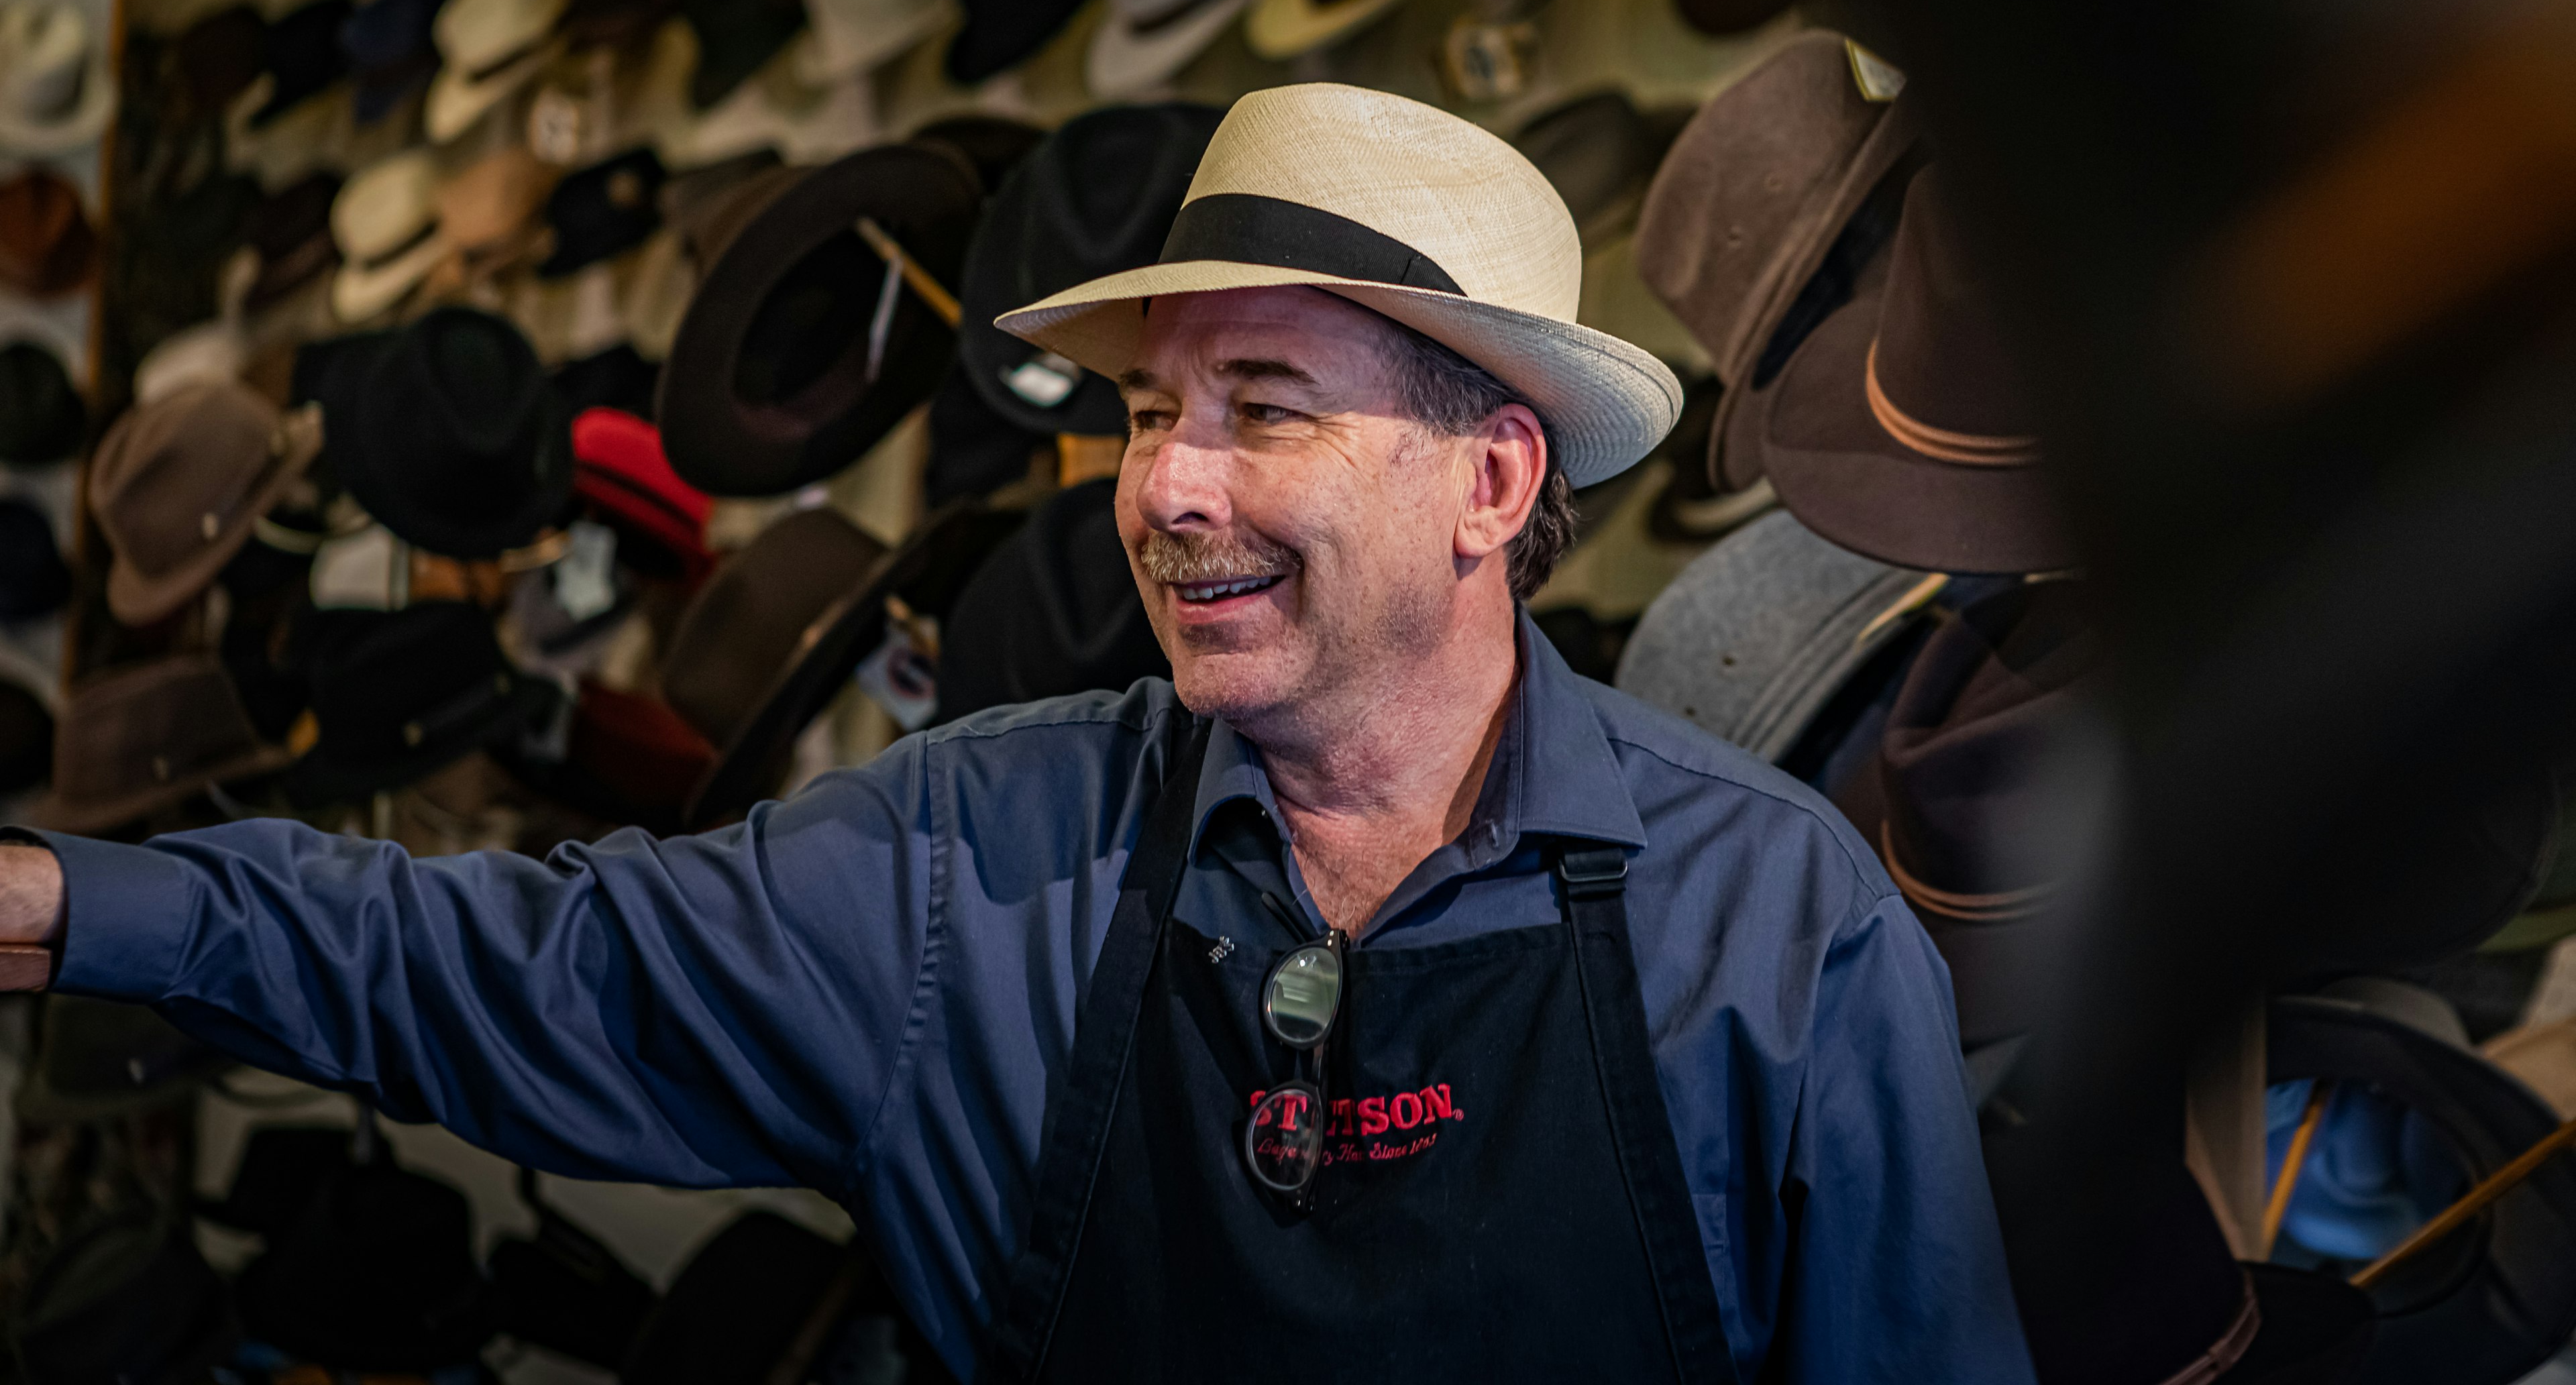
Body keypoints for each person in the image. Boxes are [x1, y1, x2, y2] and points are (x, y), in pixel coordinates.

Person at [0, 85, 2031, 1383]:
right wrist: (86, 904)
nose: (1167, 487)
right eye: (1153, 413)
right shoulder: (982, 858)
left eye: (1265, 405)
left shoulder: (1773, 927)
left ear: (1493, 482)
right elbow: (518, 967)